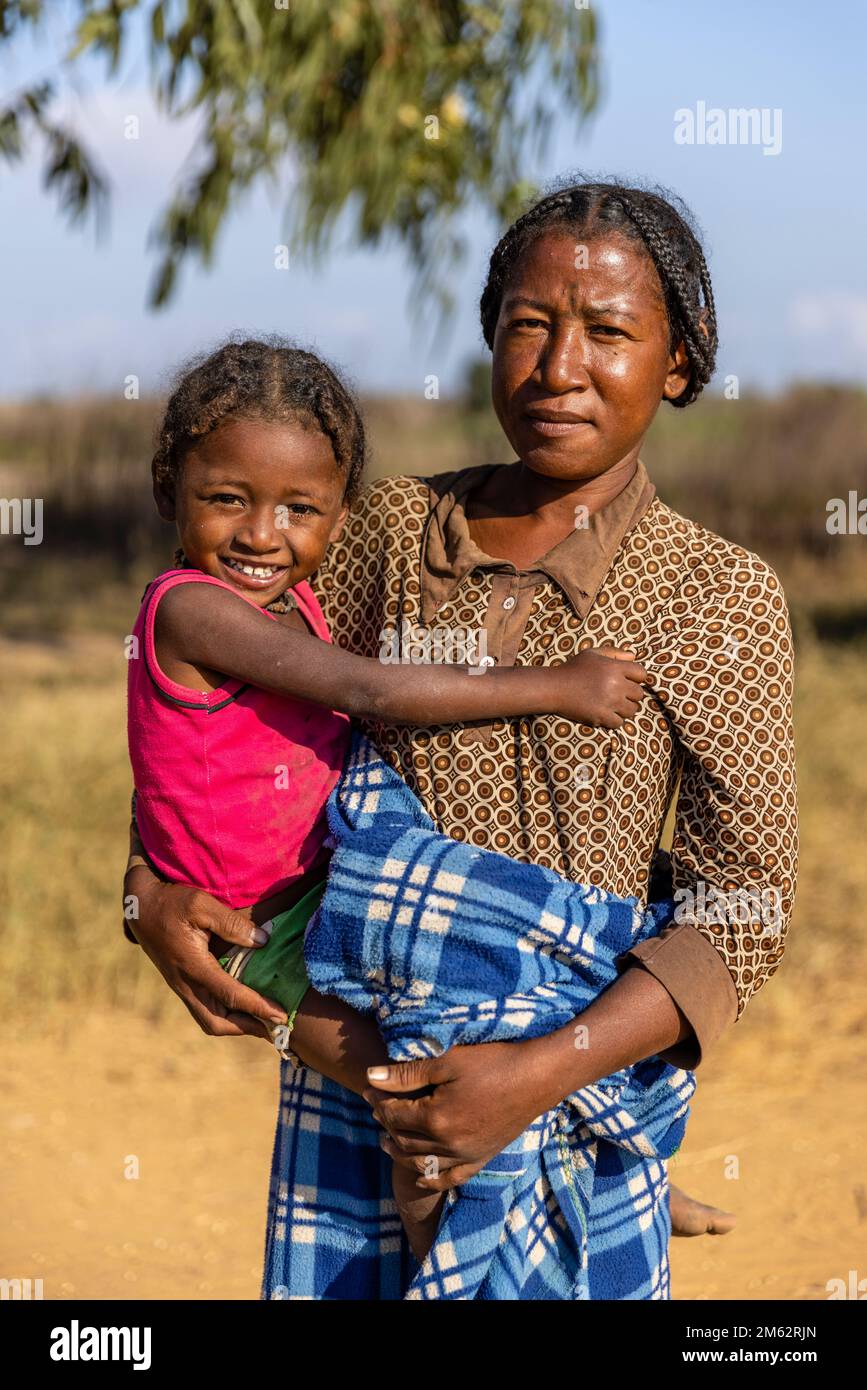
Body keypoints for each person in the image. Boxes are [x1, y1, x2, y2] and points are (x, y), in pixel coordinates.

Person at [126, 178, 795, 1297]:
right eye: (529, 324)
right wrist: (144, 896)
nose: (560, 366)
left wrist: (533, 1077)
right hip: (362, 1094)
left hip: (562, 1085)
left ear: (678, 365)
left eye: (611, 332)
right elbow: (209, 711)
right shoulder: (385, 529)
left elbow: (744, 907)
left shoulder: (717, 596)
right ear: (488, 336)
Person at [125, 335, 654, 1260]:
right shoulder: (193, 610)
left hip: (340, 889)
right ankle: (440, 1259)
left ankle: (619, 1166)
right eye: (225, 500)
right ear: (170, 489)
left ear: (340, 511)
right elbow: (371, 690)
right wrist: (555, 684)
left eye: (300, 508)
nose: (261, 534)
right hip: (258, 935)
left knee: (502, 1000)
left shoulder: (296, 595)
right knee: (411, 1093)